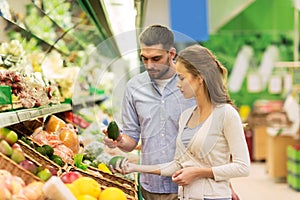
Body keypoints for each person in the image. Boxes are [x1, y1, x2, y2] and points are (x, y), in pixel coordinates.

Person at [104, 25, 242, 200]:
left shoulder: (192, 84)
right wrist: (117, 141)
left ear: (171, 54)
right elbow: (131, 140)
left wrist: (226, 184)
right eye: (144, 59)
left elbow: (216, 141)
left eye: (156, 58)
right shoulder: (134, 88)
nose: (149, 65)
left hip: (191, 187)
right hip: (151, 185)